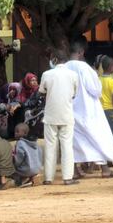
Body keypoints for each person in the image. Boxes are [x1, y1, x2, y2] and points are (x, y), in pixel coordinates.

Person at [66, 38, 113, 178]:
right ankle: (105, 169)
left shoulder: (64, 67)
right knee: (99, 137)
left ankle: (74, 170)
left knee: (74, 141)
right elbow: (96, 90)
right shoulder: (85, 68)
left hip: (70, 109)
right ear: (81, 52)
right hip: (88, 110)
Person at [38, 47, 80, 185]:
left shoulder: (46, 74)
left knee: (50, 146)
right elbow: (74, 94)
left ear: (54, 59)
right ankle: (67, 178)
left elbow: (42, 91)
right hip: (67, 115)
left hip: (50, 115)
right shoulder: (73, 75)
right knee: (67, 146)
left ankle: (48, 178)